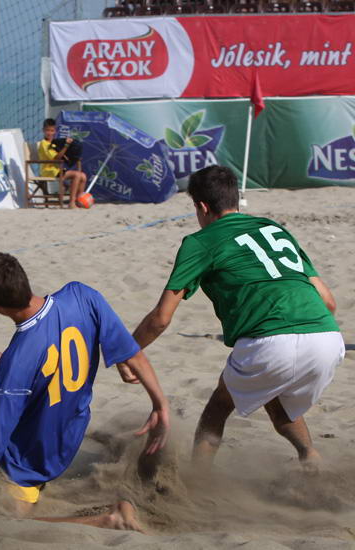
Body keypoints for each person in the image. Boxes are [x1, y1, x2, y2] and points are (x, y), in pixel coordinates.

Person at [128, 165, 344, 472]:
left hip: (270, 341)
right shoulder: (273, 229)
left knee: (218, 406)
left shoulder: (201, 241)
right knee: (276, 397)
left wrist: (128, 352)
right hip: (327, 338)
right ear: (235, 198)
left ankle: (198, 481)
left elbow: (161, 318)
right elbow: (329, 301)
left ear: (202, 207)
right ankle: (310, 458)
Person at [0, 250, 170, 530]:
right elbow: (134, 354)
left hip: (32, 461)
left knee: (3, 523)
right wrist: (160, 404)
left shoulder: (19, 360)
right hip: (72, 432)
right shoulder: (81, 295)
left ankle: (110, 519)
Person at [38, 118, 87, 209]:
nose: (49, 133)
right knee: (77, 175)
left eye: (52, 130)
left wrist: (74, 156)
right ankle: (71, 202)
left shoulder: (55, 143)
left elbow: (64, 157)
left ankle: (78, 200)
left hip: (57, 169)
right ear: (43, 130)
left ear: (55, 131)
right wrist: (66, 146)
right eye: (47, 130)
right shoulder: (44, 144)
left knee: (83, 176)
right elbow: (56, 158)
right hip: (49, 171)